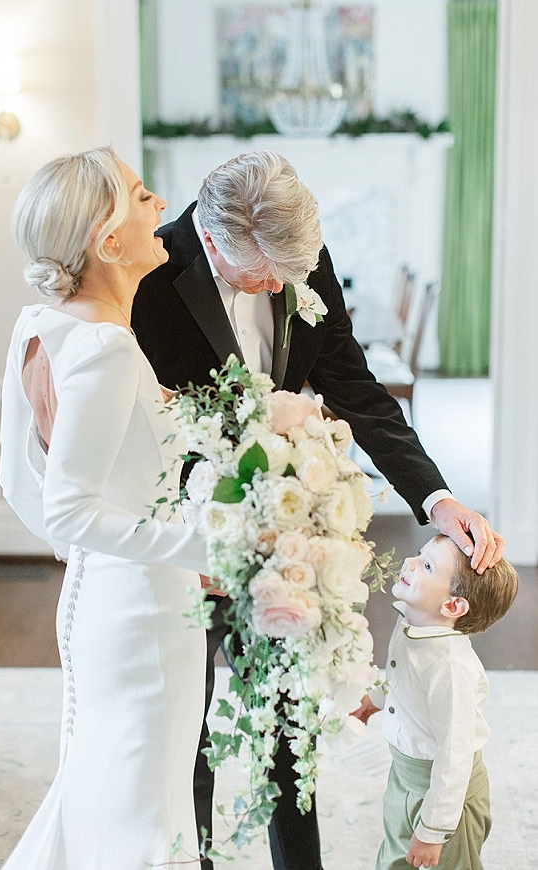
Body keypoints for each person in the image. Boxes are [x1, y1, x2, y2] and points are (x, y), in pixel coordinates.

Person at [131, 149, 505, 870]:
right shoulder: (149, 275)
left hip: (286, 542)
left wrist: (435, 495)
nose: (277, 287)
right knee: (186, 731)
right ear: (212, 239)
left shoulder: (302, 261)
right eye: (262, 276)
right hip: (183, 541)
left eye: (288, 276)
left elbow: (356, 388)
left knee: (286, 725)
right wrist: (186, 536)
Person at [0, 147, 209, 869]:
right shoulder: (107, 350)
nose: (161, 208)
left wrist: (88, 553)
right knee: (143, 817)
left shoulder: (44, 326)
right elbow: (69, 508)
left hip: (107, 597)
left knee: (107, 794)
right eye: (143, 196)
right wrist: (202, 548)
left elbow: (17, 478)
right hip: (144, 616)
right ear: (108, 241)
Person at [352, 534, 519, 869]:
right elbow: (400, 676)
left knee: (448, 863)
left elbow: (454, 756)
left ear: (453, 606)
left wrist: (434, 829)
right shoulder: (411, 625)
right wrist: (373, 700)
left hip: (446, 794)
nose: (409, 563)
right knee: (396, 855)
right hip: (405, 773)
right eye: (418, 554)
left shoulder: (451, 668)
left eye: (426, 565)